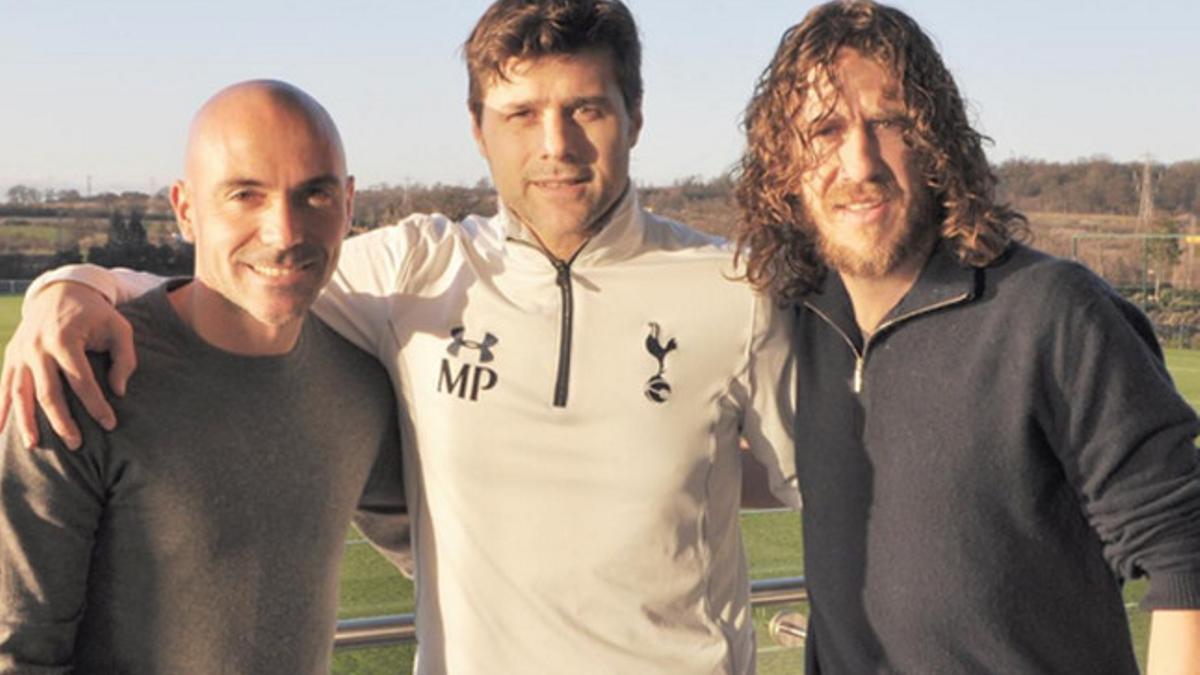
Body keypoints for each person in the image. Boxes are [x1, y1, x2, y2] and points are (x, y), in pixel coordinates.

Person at [1, 1, 799, 673]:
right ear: (479, 128)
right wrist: (69, 285)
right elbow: (251, 279)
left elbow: (824, 477)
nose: (555, 145)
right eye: (521, 113)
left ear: (636, 114)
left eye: (586, 108)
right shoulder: (416, 271)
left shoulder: (735, 287)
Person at [735, 1, 1200, 672]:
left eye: (888, 122)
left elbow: (1183, 548)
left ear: (935, 139)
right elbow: (779, 469)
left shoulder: (1051, 312)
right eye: (825, 129)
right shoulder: (800, 321)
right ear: (783, 165)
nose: (859, 161)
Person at [0, 80, 408, 673]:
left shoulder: (359, 386)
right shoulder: (76, 381)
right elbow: (18, 653)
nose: (286, 233)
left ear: (348, 204)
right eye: (246, 194)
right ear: (186, 209)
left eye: (314, 195)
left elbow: (441, 553)